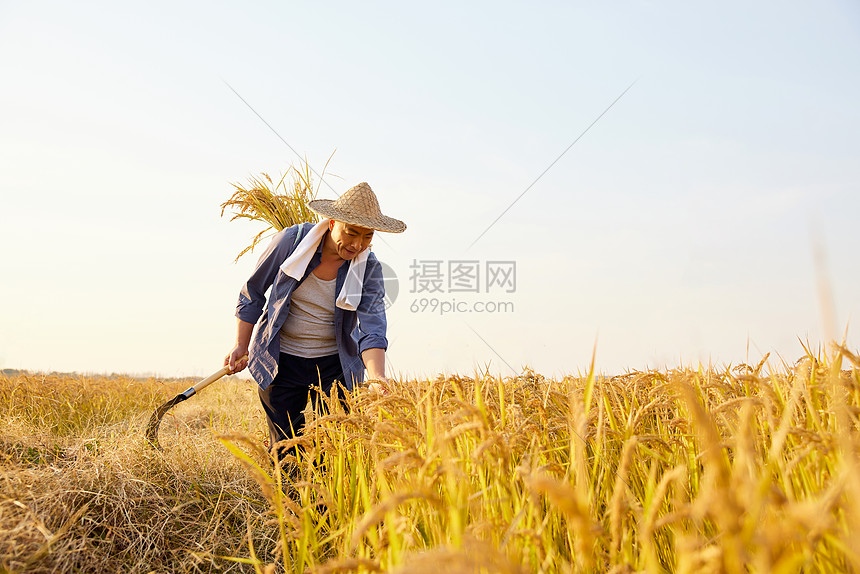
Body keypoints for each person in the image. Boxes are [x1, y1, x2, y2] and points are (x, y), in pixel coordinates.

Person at [223, 182, 406, 455]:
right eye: (351, 232)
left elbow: (372, 327)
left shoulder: (368, 268)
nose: (357, 244)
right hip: (280, 360)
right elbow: (253, 293)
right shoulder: (292, 242)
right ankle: (288, 499)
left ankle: (325, 500)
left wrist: (378, 377)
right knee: (285, 453)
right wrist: (241, 344)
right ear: (332, 223)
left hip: (335, 366)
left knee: (333, 452)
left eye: (367, 236)